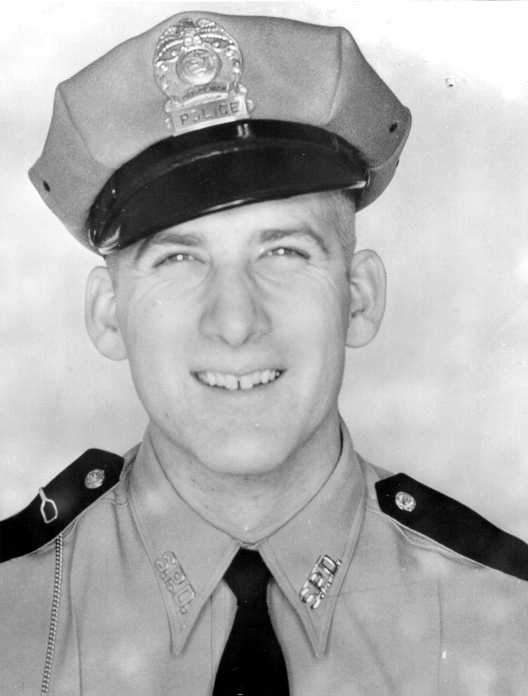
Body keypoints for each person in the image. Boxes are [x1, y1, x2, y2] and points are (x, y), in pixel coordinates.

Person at [1, 9, 527, 696]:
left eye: (283, 252)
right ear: (108, 314)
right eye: (179, 259)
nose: (235, 321)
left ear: (359, 297)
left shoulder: (508, 626)